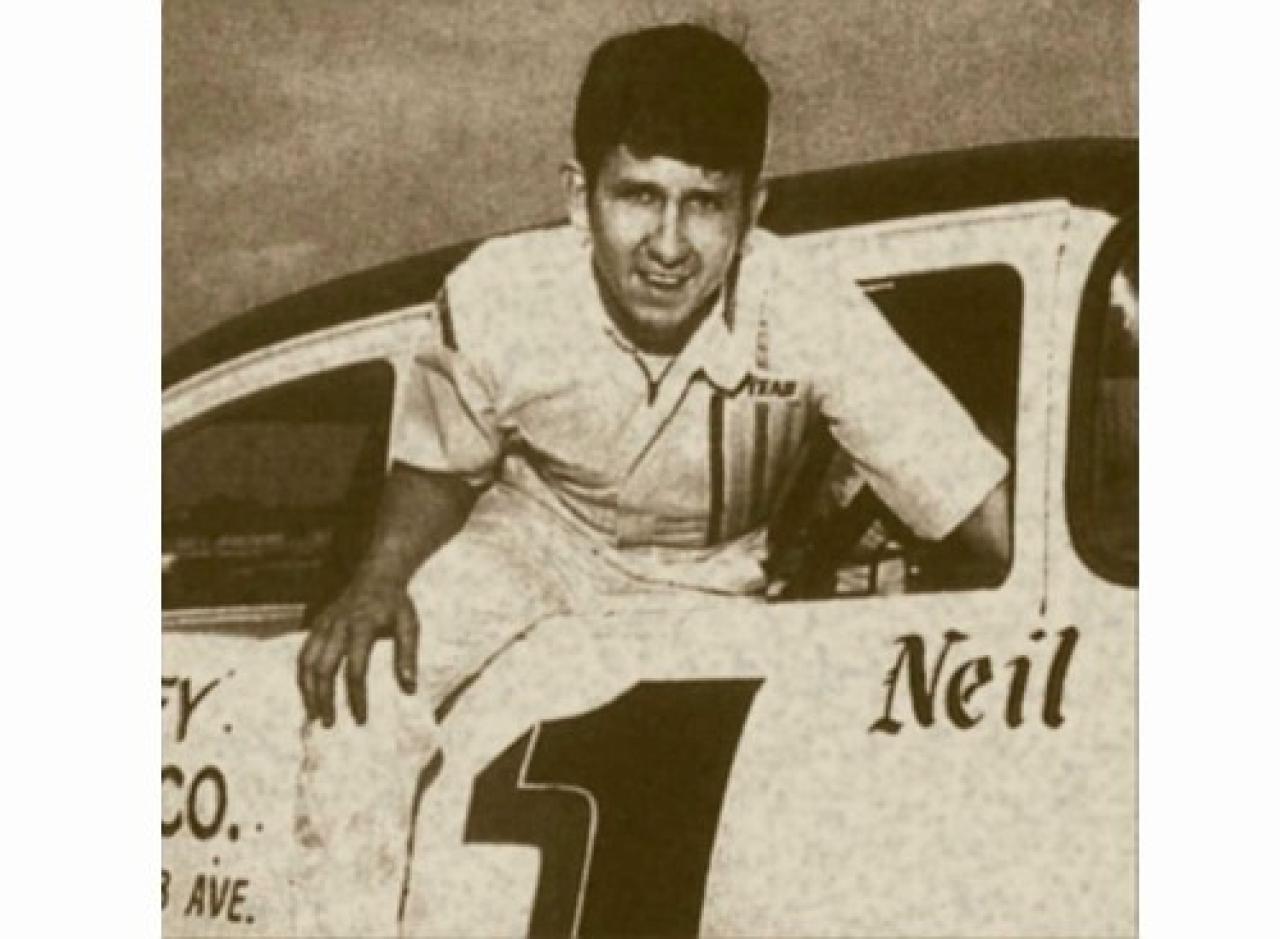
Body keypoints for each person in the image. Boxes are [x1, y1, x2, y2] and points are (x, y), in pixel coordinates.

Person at [291, 23, 1010, 935]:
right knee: (361, 692)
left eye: (706, 204)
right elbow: (438, 464)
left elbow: (968, 493)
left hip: (715, 574)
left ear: (752, 211)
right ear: (578, 196)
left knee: (780, 775)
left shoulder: (810, 306)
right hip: (536, 541)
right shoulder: (501, 290)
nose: (668, 244)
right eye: (638, 195)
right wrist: (381, 576)